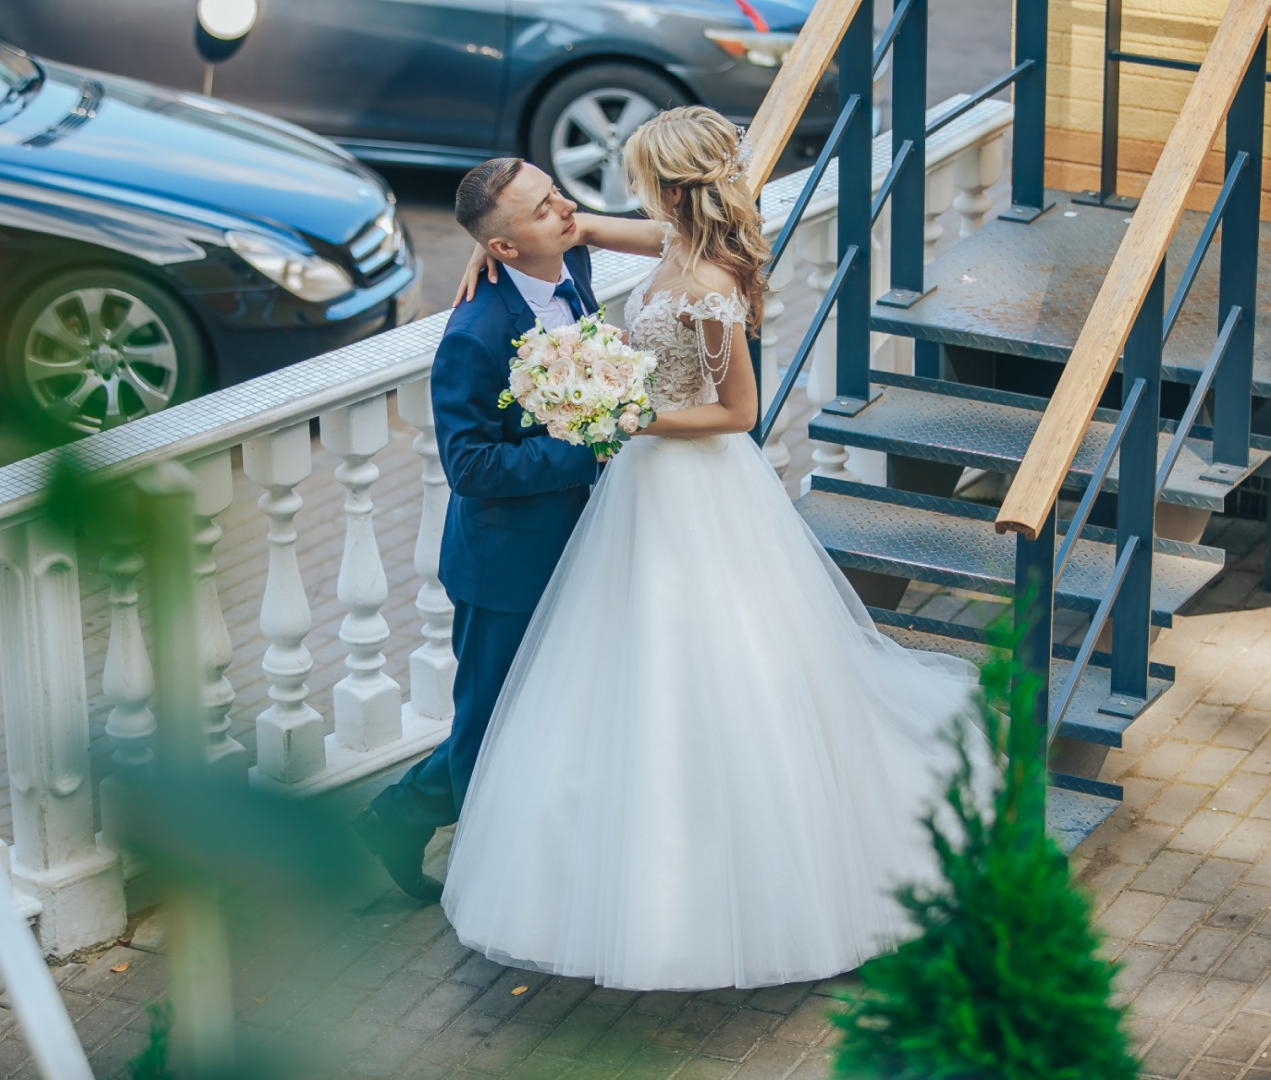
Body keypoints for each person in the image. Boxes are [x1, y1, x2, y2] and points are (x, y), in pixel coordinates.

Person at [440, 106, 991, 991]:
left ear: (670, 186)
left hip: (690, 478)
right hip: (640, 486)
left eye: (637, 179)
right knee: (628, 664)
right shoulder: (678, 239)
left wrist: (631, 417)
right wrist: (492, 243)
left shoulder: (705, 283)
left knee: (714, 660)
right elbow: (587, 229)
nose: (591, 204)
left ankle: (714, 881)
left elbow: (739, 413)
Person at [353, 158, 602, 901]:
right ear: (502, 249)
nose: (566, 209)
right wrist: (586, 442)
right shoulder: (474, 334)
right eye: (542, 207)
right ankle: (473, 865)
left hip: (586, 544)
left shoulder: (570, 255)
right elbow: (470, 466)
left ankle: (408, 818)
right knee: (491, 727)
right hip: (508, 568)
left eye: (556, 191)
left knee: (561, 705)